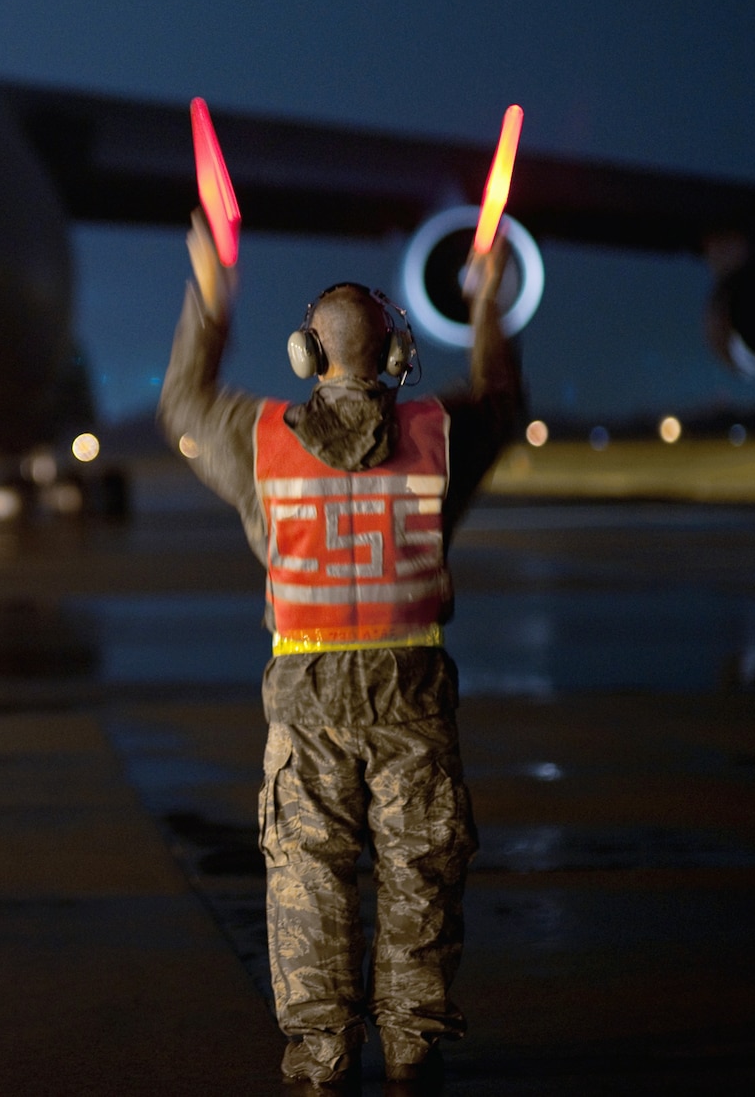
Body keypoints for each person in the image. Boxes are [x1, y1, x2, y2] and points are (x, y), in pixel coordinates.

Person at [158, 219, 523, 1092]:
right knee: (420, 879)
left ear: (303, 352)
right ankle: (413, 1050)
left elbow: (180, 401)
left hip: (306, 698)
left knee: (310, 884)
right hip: (413, 695)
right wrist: (486, 305)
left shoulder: (261, 440)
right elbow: (503, 398)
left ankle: (321, 1059)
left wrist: (209, 300)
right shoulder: (439, 435)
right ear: (397, 350)